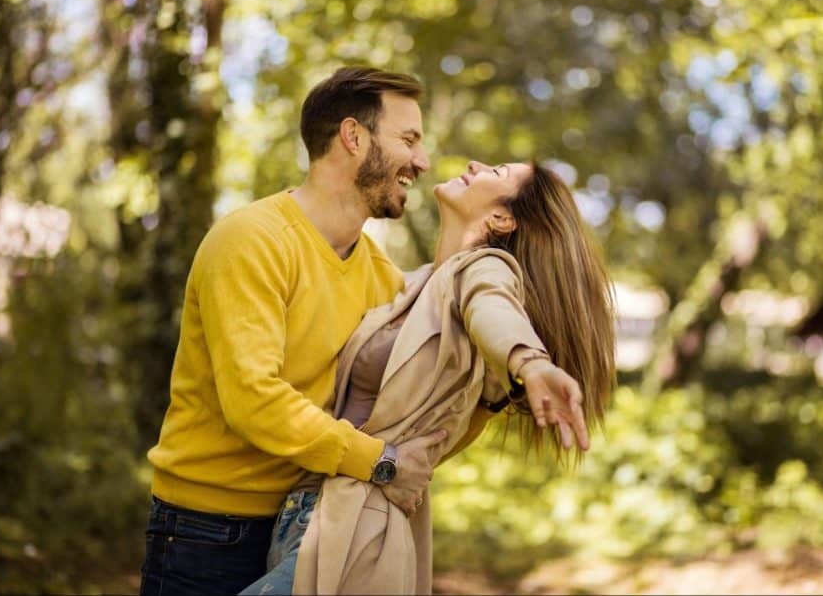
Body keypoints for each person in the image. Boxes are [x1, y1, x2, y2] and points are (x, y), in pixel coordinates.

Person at [139, 67, 451, 596]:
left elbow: (412, 403)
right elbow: (254, 400)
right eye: (408, 139)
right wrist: (380, 463)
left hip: (308, 525)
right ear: (354, 137)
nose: (421, 161)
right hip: (206, 532)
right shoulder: (252, 241)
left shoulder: (380, 275)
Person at [240, 159, 616, 594]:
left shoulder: (484, 270)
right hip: (312, 512)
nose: (476, 163)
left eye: (495, 172)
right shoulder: (417, 287)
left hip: (357, 528)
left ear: (500, 218)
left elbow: (491, 306)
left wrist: (529, 362)